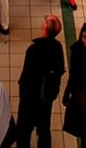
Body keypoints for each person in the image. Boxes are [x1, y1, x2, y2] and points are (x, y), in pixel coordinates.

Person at [16, 15, 66, 148]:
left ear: (45, 27)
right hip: (46, 99)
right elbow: (60, 71)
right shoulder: (57, 48)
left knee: (24, 131)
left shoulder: (33, 50)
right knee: (44, 129)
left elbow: (27, 75)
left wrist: (23, 91)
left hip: (30, 98)